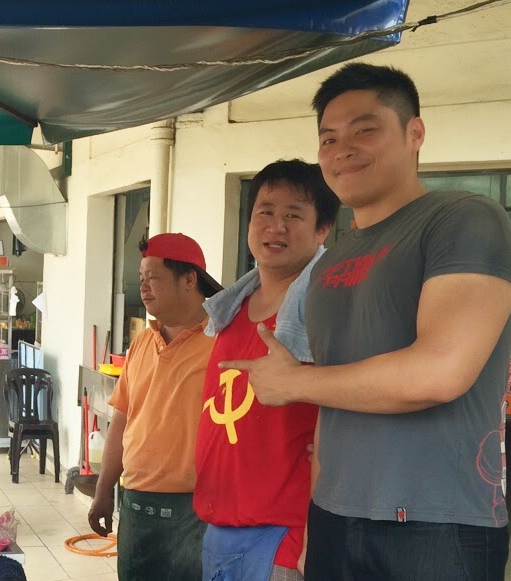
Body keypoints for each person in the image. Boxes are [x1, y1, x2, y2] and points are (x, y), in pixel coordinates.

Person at [223, 63, 511, 580]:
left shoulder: (463, 220)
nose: (342, 150)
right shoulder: (327, 267)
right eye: (329, 138)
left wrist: (296, 381)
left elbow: (440, 372)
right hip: (334, 517)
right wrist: (313, 530)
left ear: (414, 133)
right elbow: (329, 408)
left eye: (365, 130)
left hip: (437, 523)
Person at [194, 160, 340, 581]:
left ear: (322, 229)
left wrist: (311, 540)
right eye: (265, 212)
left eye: (294, 215)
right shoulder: (230, 310)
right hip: (219, 527)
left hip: (281, 537)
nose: (276, 226)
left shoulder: (323, 312)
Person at [86, 233, 220, 581]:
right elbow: (122, 420)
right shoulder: (143, 342)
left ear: (189, 279)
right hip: (134, 505)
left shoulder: (223, 341)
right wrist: (103, 492)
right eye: (141, 278)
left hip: (195, 512)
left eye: (153, 278)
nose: (143, 287)